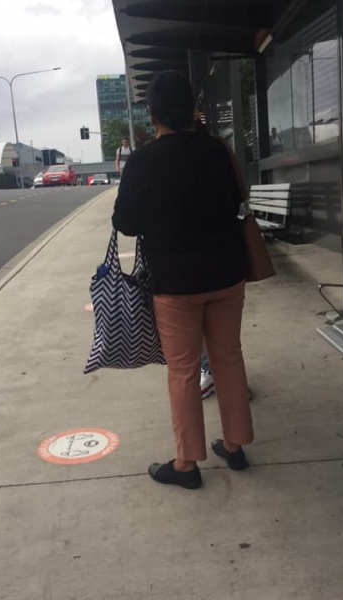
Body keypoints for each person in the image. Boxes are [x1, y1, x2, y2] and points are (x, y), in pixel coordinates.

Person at [112, 70, 253, 490]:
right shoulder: (217, 151)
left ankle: (187, 464)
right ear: (192, 110)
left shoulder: (143, 161)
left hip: (175, 284)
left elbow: (125, 223)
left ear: (153, 114)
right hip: (227, 275)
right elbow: (237, 200)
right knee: (228, 359)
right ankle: (235, 445)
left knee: (184, 371)